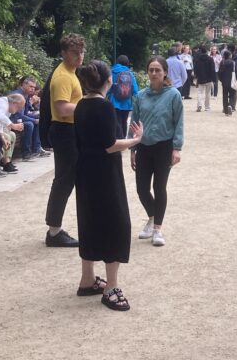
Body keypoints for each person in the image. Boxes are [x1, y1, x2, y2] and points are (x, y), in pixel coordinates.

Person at [73, 60, 144, 311]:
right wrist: (135, 139)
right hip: (105, 172)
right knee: (116, 222)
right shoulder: (103, 107)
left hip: (84, 170)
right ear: (108, 81)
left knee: (89, 219)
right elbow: (109, 144)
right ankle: (111, 286)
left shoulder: (81, 105)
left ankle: (87, 278)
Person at [130, 56, 184, 246]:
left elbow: (179, 122)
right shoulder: (141, 96)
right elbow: (134, 123)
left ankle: (157, 229)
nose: (154, 73)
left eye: (157, 70)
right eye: (151, 70)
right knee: (141, 189)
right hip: (144, 147)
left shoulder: (173, 95)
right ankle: (152, 218)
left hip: (164, 147)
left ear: (165, 72)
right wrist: (132, 148)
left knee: (159, 187)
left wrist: (177, 148)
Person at [44, 33, 86, 248]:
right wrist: (89, 107)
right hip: (64, 130)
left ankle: (55, 229)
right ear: (63, 53)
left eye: (81, 52)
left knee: (66, 180)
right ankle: (54, 231)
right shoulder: (62, 76)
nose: (80, 56)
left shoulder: (71, 72)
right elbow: (62, 108)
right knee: (63, 181)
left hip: (69, 130)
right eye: (74, 53)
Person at [11, 76, 49, 159]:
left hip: (20, 118)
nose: (32, 89)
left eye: (34, 87)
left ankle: (37, 149)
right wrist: (34, 120)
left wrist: (37, 118)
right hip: (12, 120)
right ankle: (26, 153)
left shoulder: (26, 95)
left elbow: (25, 113)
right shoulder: (17, 95)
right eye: (30, 86)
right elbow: (18, 115)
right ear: (24, 84)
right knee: (29, 124)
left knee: (39, 120)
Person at [107, 55, 139, 138]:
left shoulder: (112, 72)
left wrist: (108, 95)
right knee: (124, 122)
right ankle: (123, 139)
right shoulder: (130, 74)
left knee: (116, 121)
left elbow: (108, 87)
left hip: (114, 102)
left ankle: (117, 139)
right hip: (127, 103)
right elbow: (135, 90)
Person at [193, 43, 216, 111]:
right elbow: (212, 69)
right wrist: (214, 79)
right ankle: (207, 107)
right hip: (208, 78)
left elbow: (195, 68)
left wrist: (196, 76)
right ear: (206, 51)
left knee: (200, 92)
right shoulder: (210, 59)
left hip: (201, 78)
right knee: (207, 93)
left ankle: (199, 104)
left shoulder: (198, 59)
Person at [218, 49, 237, 116]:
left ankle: (226, 110)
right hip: (232, 80)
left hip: (224, 81)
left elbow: (219, 73)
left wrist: (221, 80)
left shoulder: (222, 62)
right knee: (232, 94)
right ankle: (230, 105)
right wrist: (236, 79)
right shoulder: (233, 62)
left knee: (225, 95)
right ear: (230, 55)